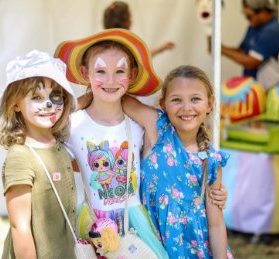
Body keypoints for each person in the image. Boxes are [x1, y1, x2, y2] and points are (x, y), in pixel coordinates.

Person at [55, 28, 169, 258]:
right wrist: (77, 104)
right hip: (94, 224)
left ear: (133, 74)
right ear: (85, 72)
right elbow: (64, 165)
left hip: (134, 223)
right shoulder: (72, 125)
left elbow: (158, 129)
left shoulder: (138, 125)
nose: (110, 80)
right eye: (100, 71)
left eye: (120, 71)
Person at [122, 65, 233, 258]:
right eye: (176, 100)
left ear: (210, 104)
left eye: (195, 99)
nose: (186, 107)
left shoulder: (212, 160)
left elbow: (215, 224)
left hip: (196, 249)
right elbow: (119, 99)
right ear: (163, 104)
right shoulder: (157, 128)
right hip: (151, 245)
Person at [0, 50, 78, 258]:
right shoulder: (20, 156)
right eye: (36, 97)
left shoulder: (61, 146)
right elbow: (20, 226)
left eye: (56, 96)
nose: (49, 105)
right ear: (15, 104)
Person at [221, 0, 279, 86]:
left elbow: (251, 63)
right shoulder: (254, 26)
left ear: (263, 12)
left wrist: (221, 49)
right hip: (252, 87)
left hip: (267, 91)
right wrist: (219, 47)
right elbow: (242, 51)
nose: (247, 19)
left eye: (249, 16)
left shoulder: (271, 31)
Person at [103, 1, 175, 57]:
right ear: (125, 21)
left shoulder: (103, 42)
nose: (132, 20)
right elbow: (142, 57)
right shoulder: (126, 42)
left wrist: (161, 48)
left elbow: (141, 56)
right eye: (130, 17)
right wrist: (161, 48)